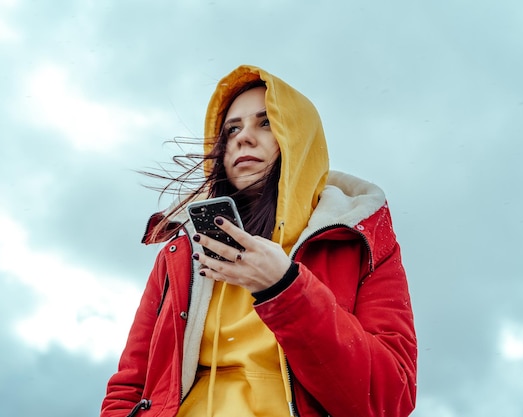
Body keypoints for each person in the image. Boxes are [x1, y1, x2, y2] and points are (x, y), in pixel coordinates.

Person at [100, 65, 417, 417]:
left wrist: (284, 287)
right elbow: (129, 386)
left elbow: (389, 401)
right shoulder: (182, 247)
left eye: (266, 123)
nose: (243, 138)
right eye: (231, 128)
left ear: (300, 138)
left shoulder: (360, 239)